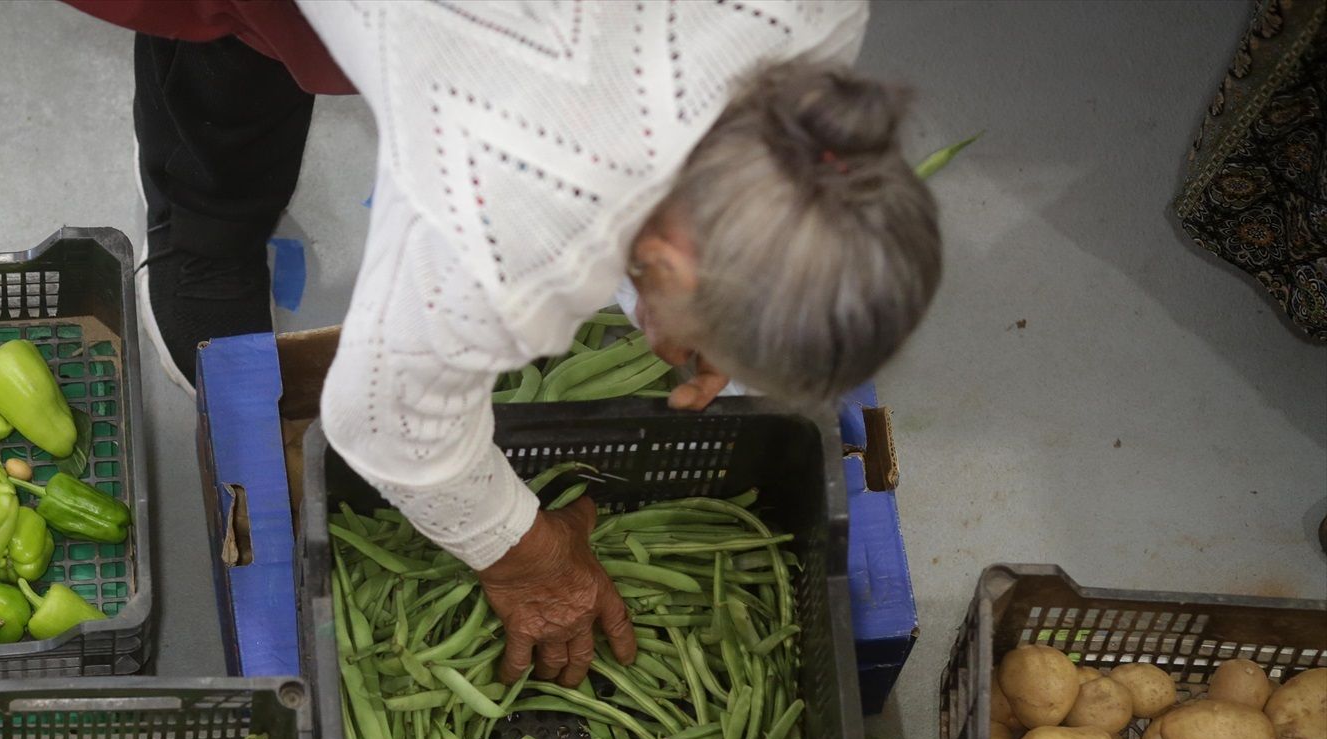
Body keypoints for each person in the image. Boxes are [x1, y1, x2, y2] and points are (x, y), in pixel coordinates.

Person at [67, 0, 941, 686]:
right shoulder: (511, 222)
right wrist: (527, 558)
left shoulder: (816, 18)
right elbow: (383, 424)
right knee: (242, 37)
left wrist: (714, 305)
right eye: (704, 332)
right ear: (669, 255)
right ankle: (203, 230)